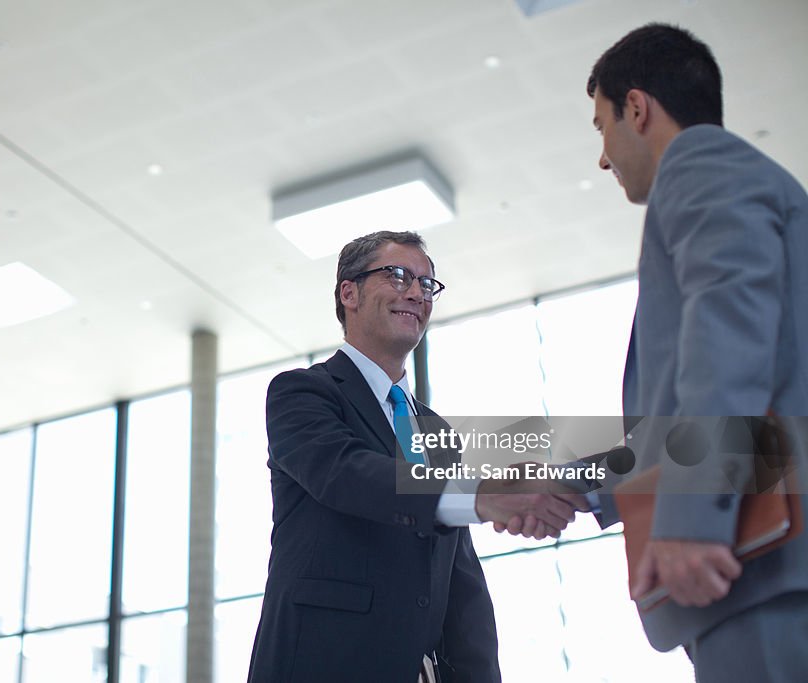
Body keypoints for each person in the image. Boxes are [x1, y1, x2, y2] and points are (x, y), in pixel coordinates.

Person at [246, 230, 587, 683]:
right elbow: (347, 474)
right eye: (398, 275)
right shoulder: (303, 392)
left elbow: (458, 575)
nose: (416, 293)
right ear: (349, 292)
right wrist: (484, 495)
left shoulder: (432, 428)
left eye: (427, 284)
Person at [586, 23, 808, 681]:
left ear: (637, 108)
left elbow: (727, 338)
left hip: (764, 568)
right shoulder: (733, 177)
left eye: (600, 126)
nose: (602, 156)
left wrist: (692, 512)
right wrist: (574, 484)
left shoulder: (700, 164)